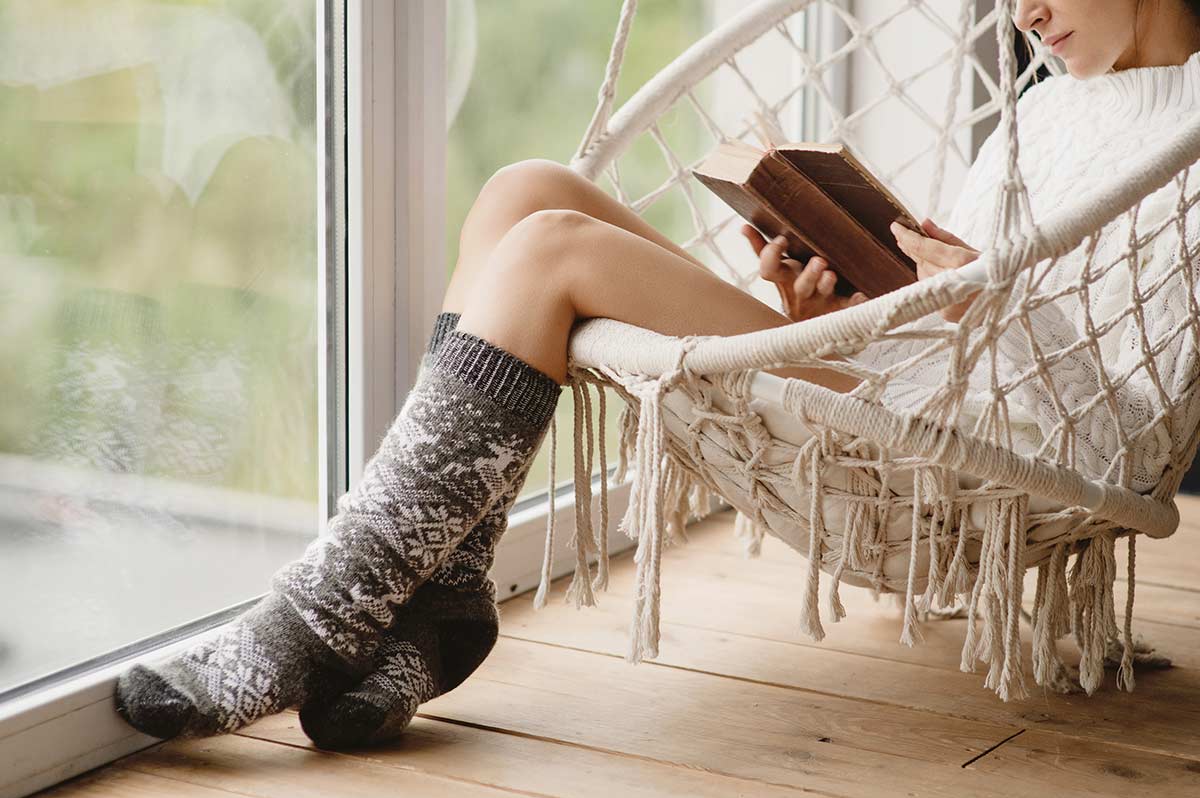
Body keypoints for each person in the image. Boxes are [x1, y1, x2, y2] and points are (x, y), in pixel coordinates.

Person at [115, 0, 1200, 749]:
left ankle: (309, 622)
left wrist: (976, 298)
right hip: (908, 386)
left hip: (1001, 452)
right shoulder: (1051, 105)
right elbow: (942, 330)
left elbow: (1120, 419)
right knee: (521, 189)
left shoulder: (1188, 140)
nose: (1020, 12)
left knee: (549, 251)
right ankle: (441, 596)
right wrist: (831, 305)